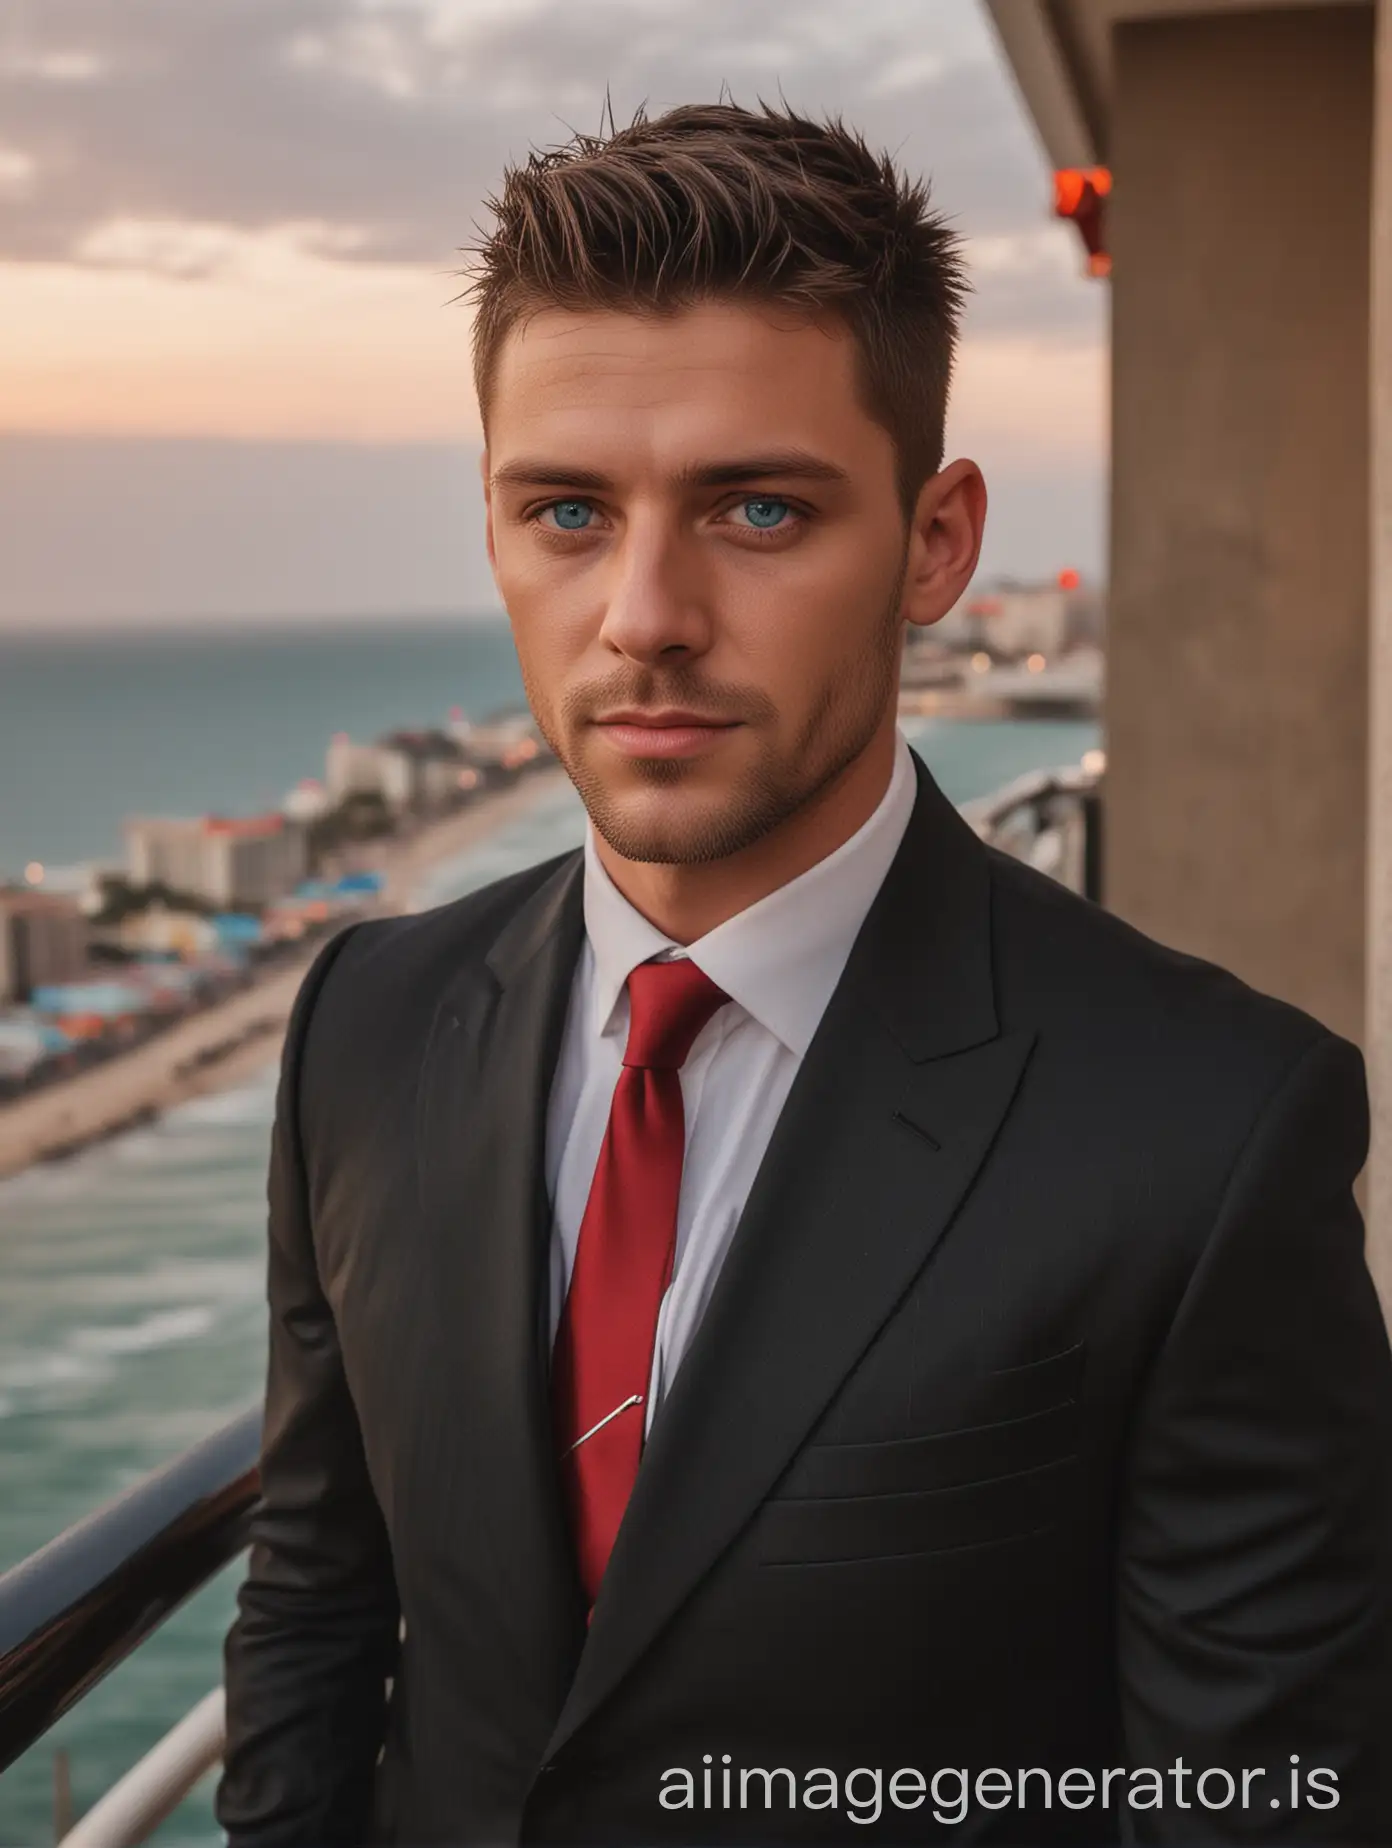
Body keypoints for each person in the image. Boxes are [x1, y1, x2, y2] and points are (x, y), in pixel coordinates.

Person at [216, 103, 1392, 1846]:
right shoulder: (365, 1028)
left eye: (757, 508)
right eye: (564, 510)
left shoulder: (1210, 1132)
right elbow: (316, 1610)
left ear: (935, 543)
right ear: (492, 531)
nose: (643, 613)